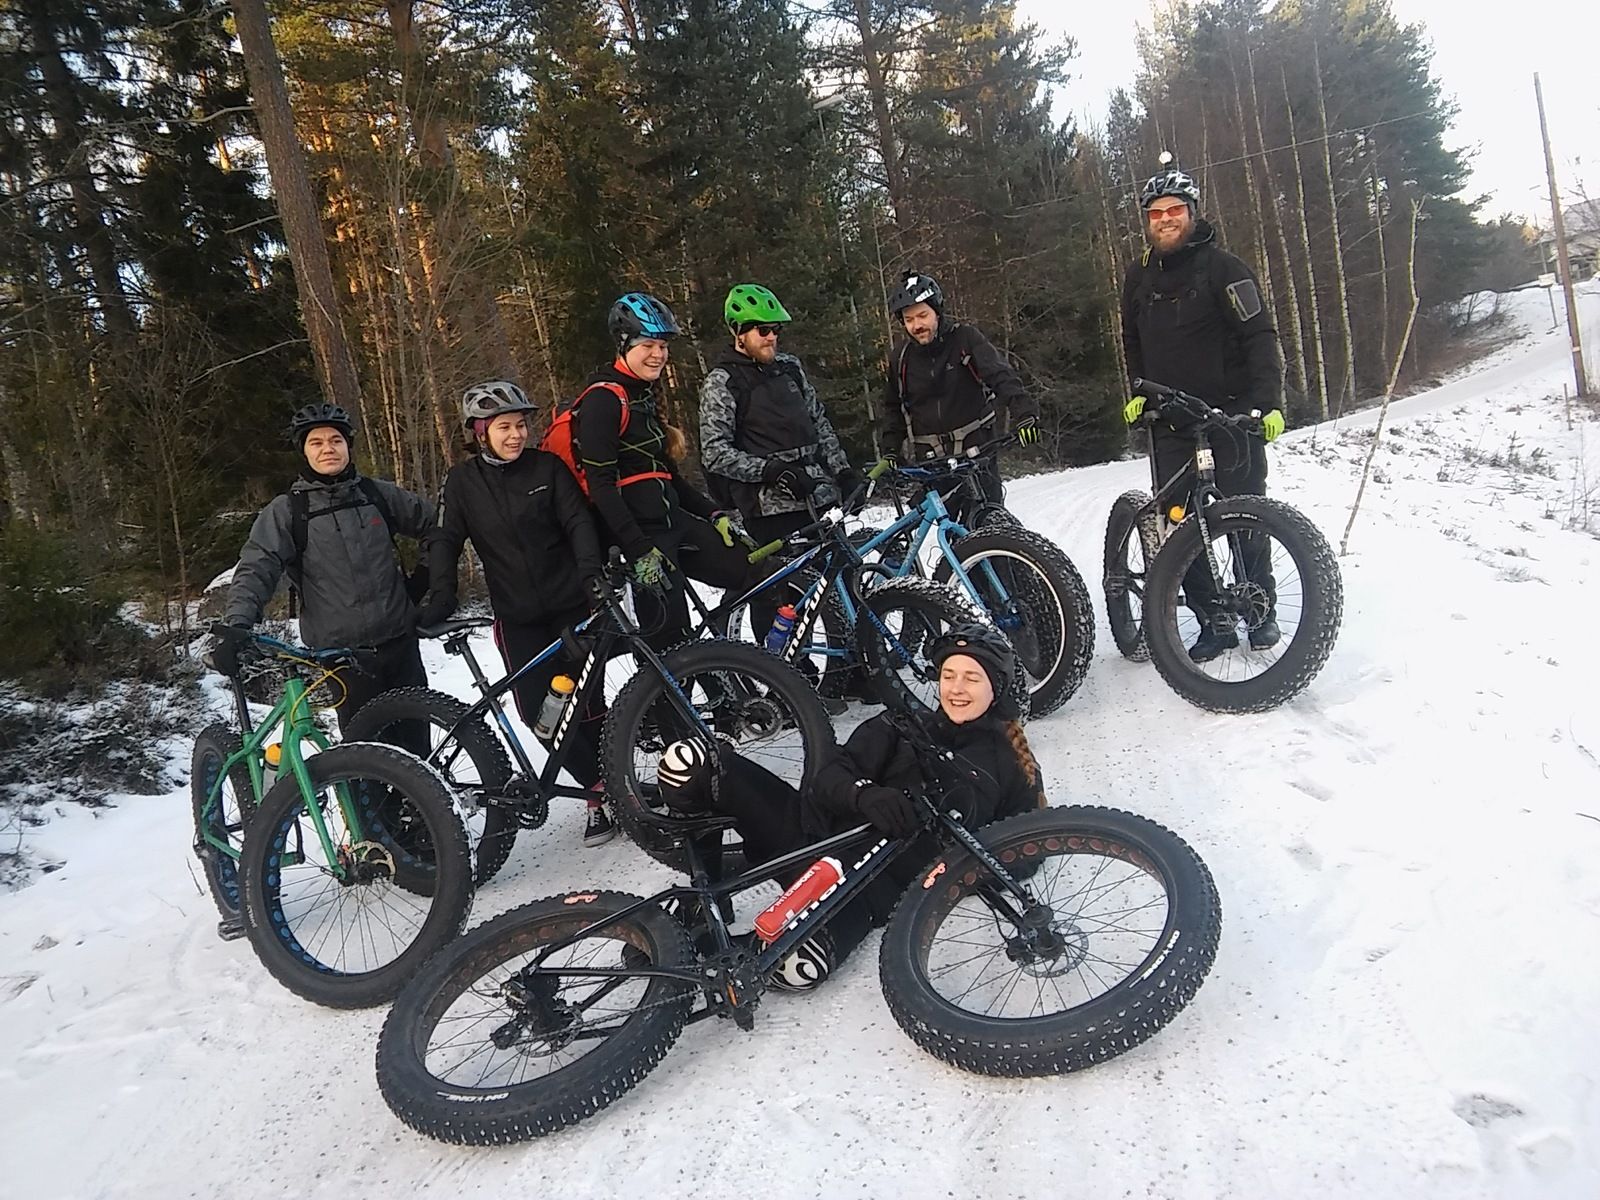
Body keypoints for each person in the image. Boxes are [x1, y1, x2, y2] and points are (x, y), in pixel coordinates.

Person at [656, 623, 1044, 990]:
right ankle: (706, 902)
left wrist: (952, 866)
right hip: (805, 837)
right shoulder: (903, 725)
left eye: (972, 678)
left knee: (799, 968)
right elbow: (828, 775)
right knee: (687, 762)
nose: (957, 688)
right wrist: (864, 794)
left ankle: (686, 954)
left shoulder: (1012, 766)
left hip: (860, 893)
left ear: (996, 687)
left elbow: (1031, 850)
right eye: (948, 676)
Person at [418, 380, 617, 847]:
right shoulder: (462, 483)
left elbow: (577, 521)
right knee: (538, 716)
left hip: (571, 605)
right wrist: (441, 595)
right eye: (504, 427)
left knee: (587, 708)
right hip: (518, 617)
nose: (515, 435)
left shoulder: (547, 467)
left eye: (521, 425)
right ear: (480, 432)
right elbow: (445, 540)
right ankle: (598, 785)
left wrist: (592, 574)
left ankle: (605, 797)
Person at [1119, 157, 1286, 661]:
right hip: (1170, 421)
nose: (1165, 220)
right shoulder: (1138, 277)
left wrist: (1269, 403)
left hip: (1230, 416)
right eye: (1156, 213)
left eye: (1174, 210)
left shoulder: (1225, 268)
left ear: (1192, 212)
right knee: (1178, 525)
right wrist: (1137, 390)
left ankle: (1259, 609)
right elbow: (1132, 340)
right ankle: (1213, 619)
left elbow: (1259, 335)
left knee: (1245, 515)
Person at [217, 402, 434, 736]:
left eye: (335, 440)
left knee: (417, 745)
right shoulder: (289, 511)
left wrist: (425, 578)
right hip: (343, 656)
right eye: (316, 442)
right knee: (367, 752)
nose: (327, 449)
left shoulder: (378, 495)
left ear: (348, 445)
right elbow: (257, 566)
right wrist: (238, 623)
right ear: (304, 451)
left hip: (400, 642)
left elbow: (437, 528)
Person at [574, 291, 776, 649]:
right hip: (641, 536)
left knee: (759, 573)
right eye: (648, 345)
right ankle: (675, 685)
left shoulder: (643, 395)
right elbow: (601, 486)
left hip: (674, 523)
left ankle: (765, 666)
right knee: (671, 643)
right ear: (623, 345)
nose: (658, 354)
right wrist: (638, 549)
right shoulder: (602, 400)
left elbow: (669, 477)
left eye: (663, 346)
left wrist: (713, 514)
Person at [698, 283, 860, 640]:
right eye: (763, 330)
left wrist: (843, 471)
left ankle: (850, 663)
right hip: (769, 510)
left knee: (840, 586)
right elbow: (714, 452)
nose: (772, 337)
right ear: (739, 333)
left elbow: (819, 423)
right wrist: (769, 471)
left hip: (818, 495)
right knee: (779, 598)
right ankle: (780, 668)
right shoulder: (722, 382)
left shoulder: (790, 368)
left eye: (776, 329)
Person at [881, 270, 1041, 526]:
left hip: (977, 453)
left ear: (937, 311)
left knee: (989, 523)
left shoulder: (965, 339)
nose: (917, 325)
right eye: (909, 319)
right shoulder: (901, 358)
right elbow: (893, 408)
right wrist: (890, 450)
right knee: (952, 532)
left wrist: (1025, 411)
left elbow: (1000, 375)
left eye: (922, 315)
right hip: (934, 462)